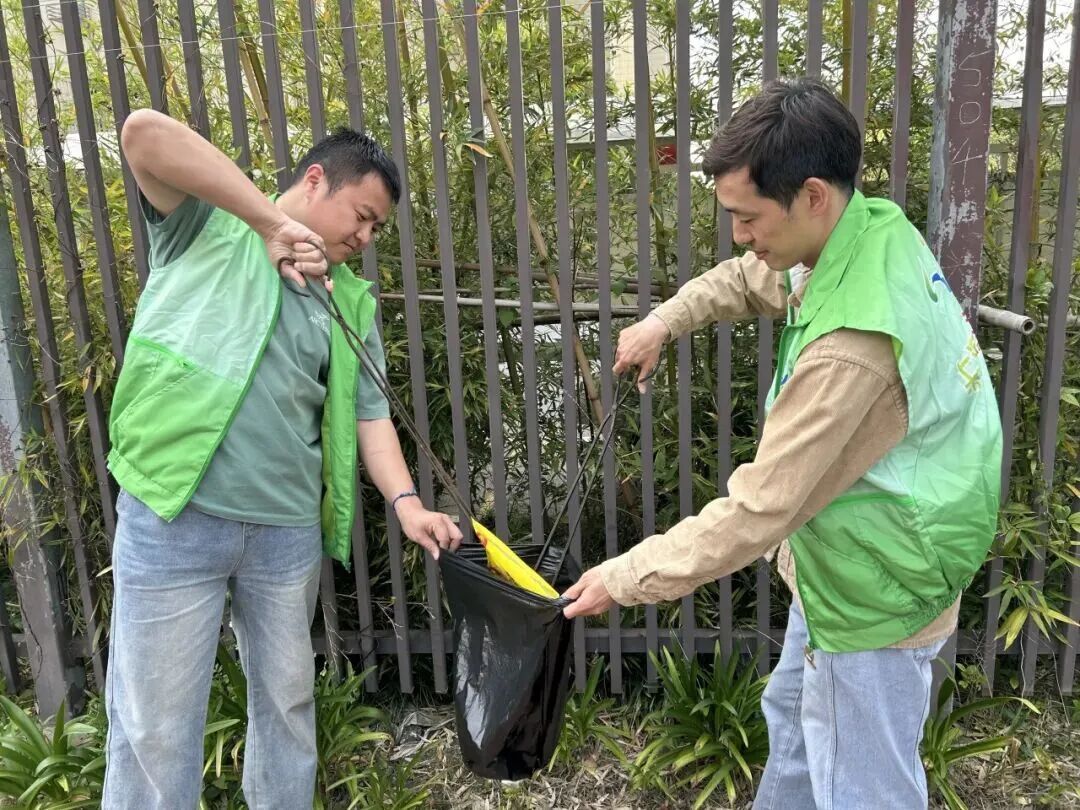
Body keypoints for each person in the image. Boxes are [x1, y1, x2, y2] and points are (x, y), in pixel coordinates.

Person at [562, 78, 1002, 809]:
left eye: (747, 216)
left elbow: (760, 509)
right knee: (796, 727)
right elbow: (752, 278)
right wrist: (663, 322)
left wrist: (626, 576)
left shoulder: (850, 349)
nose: (739, 234)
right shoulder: (869, 232)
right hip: (853, 553)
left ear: (812, 196)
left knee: (864, 787)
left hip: (878, 581)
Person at [104, 109, 463, 809]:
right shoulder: (204, 226)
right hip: (175, 516)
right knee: (155, 726)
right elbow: (143, 133)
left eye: (376, 229)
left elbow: (369, 416)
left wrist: (407, 504)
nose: (365, 238)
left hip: (283, 534)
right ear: (316, 179)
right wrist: (269, 224)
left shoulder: (348, 301)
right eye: (361, 216)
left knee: (288, 709)